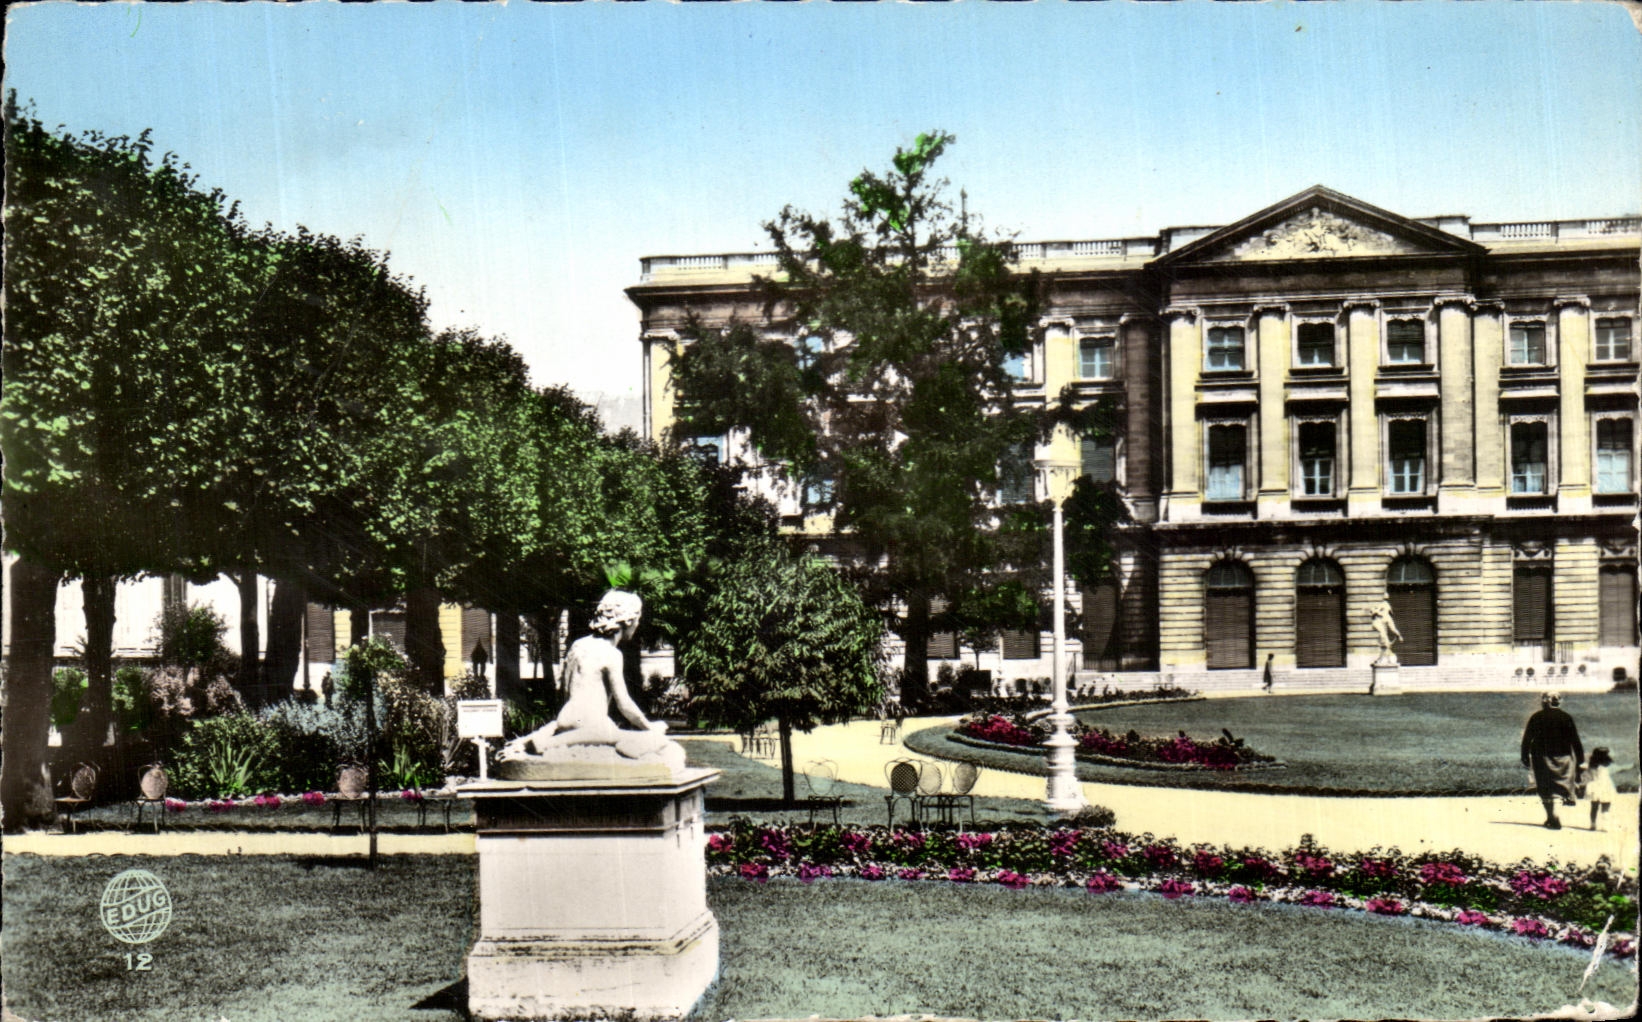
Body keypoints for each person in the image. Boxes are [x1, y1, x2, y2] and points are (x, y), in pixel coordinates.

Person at [498, 590, 667, 761]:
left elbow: (563, 689)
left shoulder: (577, 646)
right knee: (657, 739)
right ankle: (547, 744)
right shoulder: (611, 653)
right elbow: (624, 705)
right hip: (591, 726)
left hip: (564, 720)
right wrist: (649, 727)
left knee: (606, 728)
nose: (637, 625)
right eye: (637, 619)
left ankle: (532, 741)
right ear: (628, 620)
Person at [1520, 692, 1584, 830]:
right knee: (1560, 787)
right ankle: (1554, 816)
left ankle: (1551, 816)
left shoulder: (1537, 717)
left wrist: (1524, 756)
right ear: (1559, 702)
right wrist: (1580, 759)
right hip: (1564, 757)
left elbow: (1527, 738)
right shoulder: (1566, 717)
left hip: (1541, 756)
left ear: (1545, 701)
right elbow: (1575, 740)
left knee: (1545, 787)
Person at [1582, 747, 1617, 832]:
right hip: (1606, 787)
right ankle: (1605, 826)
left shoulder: (1591, 765)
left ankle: (1593, 824)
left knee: (1594, 807)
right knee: (1605, 808)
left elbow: (1582, 767)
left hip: (1594, 786)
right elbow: (1620, 768)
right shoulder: (1609, 766)